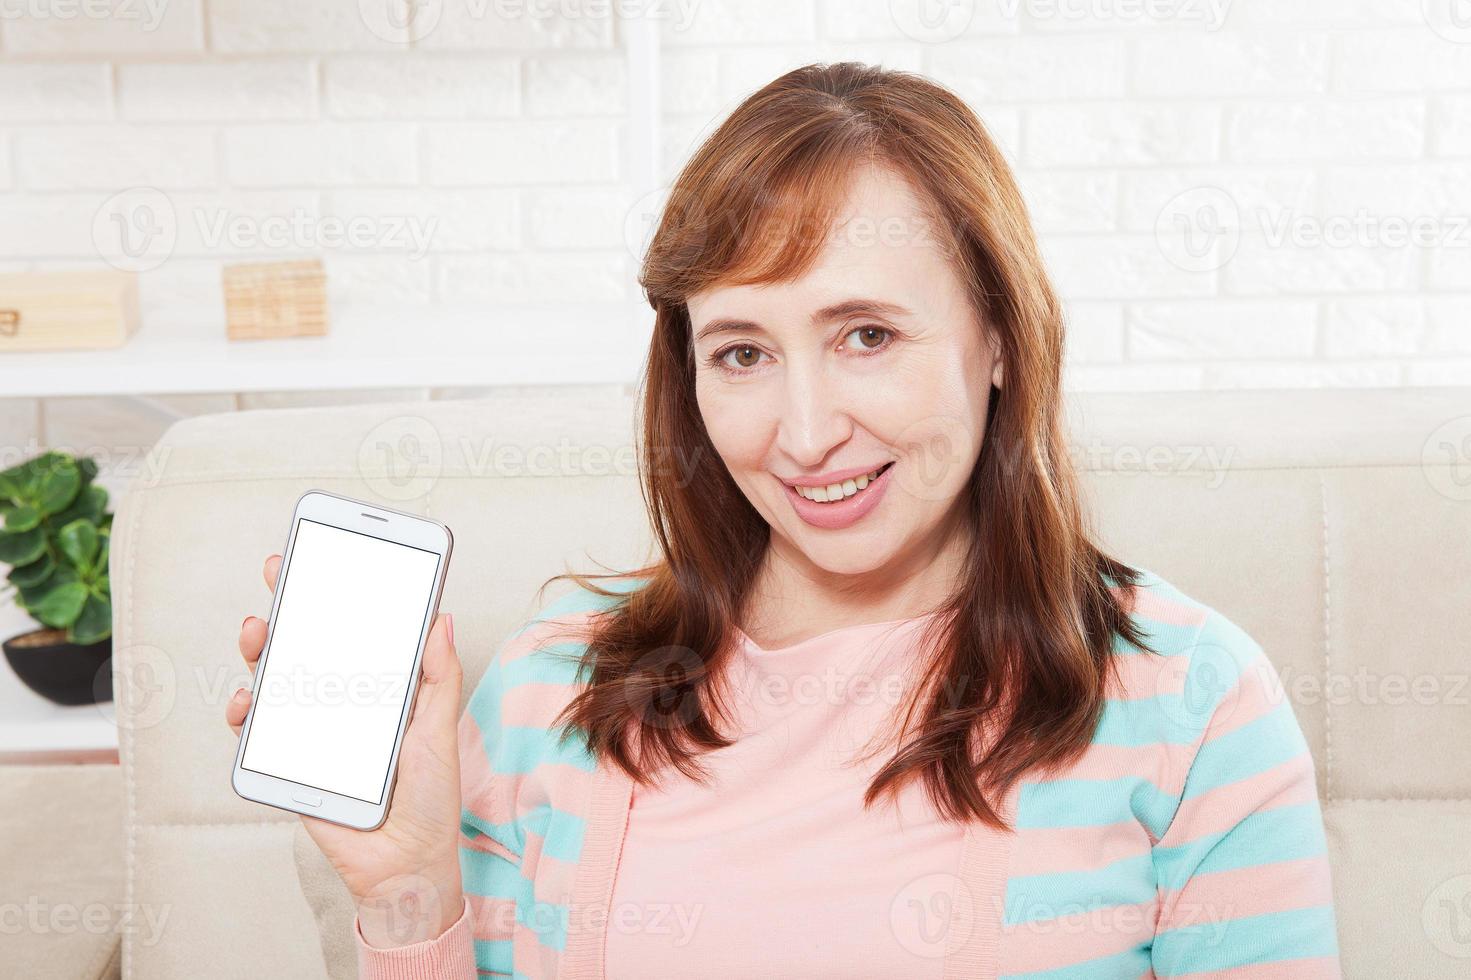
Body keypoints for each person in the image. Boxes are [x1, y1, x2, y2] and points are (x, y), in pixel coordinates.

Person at [226, 62, 1341, 979]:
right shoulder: (547, 691)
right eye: (744, 352)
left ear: (998, 337)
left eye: (866, 334)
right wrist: (412, 888)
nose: (805, 433)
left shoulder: (1189, 699)